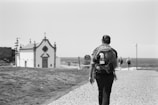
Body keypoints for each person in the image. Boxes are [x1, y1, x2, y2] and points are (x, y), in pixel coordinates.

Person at [90, 35, 118, 105]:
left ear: (102, 40)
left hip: (99, 73)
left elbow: (92, 64)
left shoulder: (96, 50)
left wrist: (90, 76)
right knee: (107, 93)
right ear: (110, 41)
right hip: (109, 74)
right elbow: (115, 65)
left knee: (100, 91)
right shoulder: (113, 51)